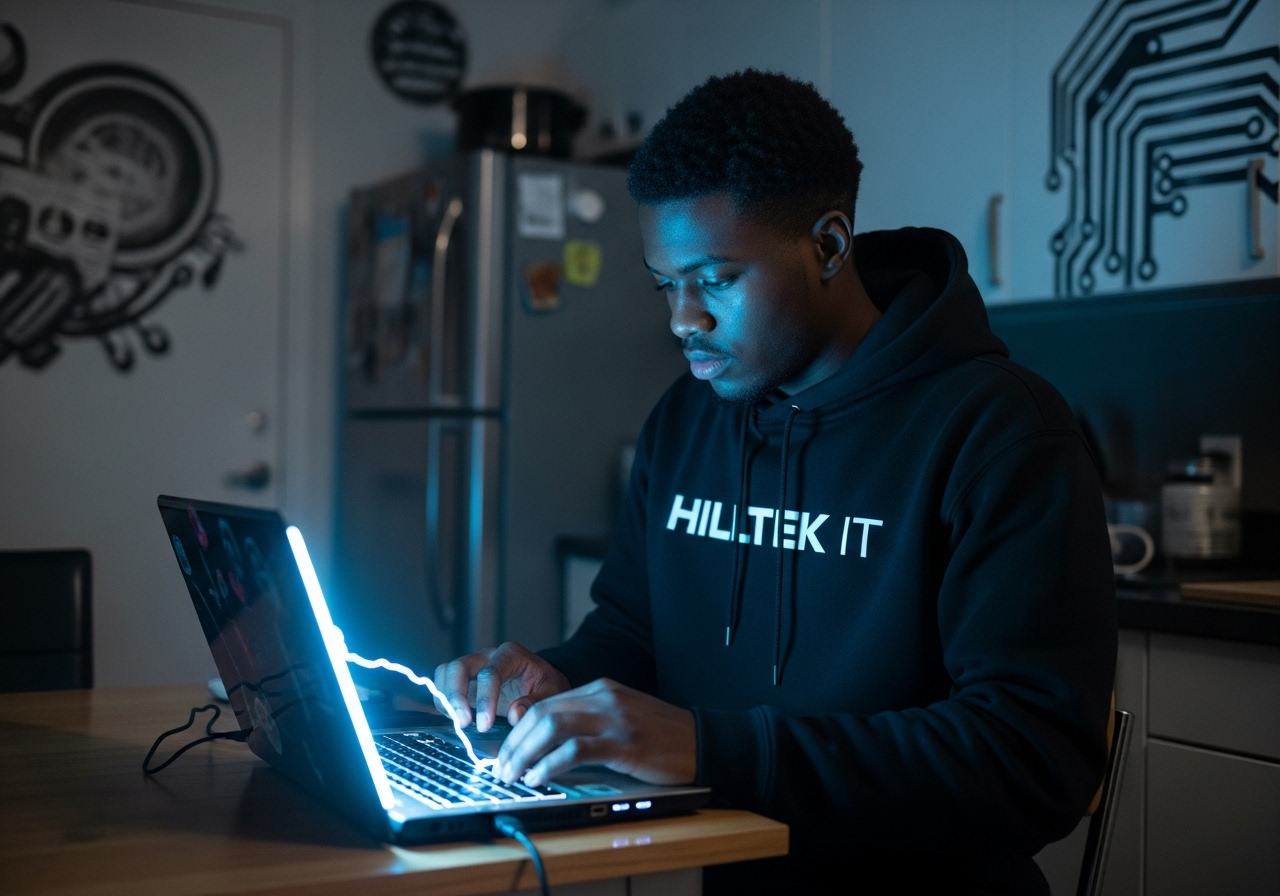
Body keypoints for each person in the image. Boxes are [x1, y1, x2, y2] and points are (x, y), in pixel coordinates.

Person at [435, 70, 1117, 894]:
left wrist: (712, 747)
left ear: (828, 245)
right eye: (666, 285)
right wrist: (558, 682)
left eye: (715, 280)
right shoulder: (685, 421)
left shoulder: (998, 433)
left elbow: (1031, 761)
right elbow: (637, 635)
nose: (682, 319)